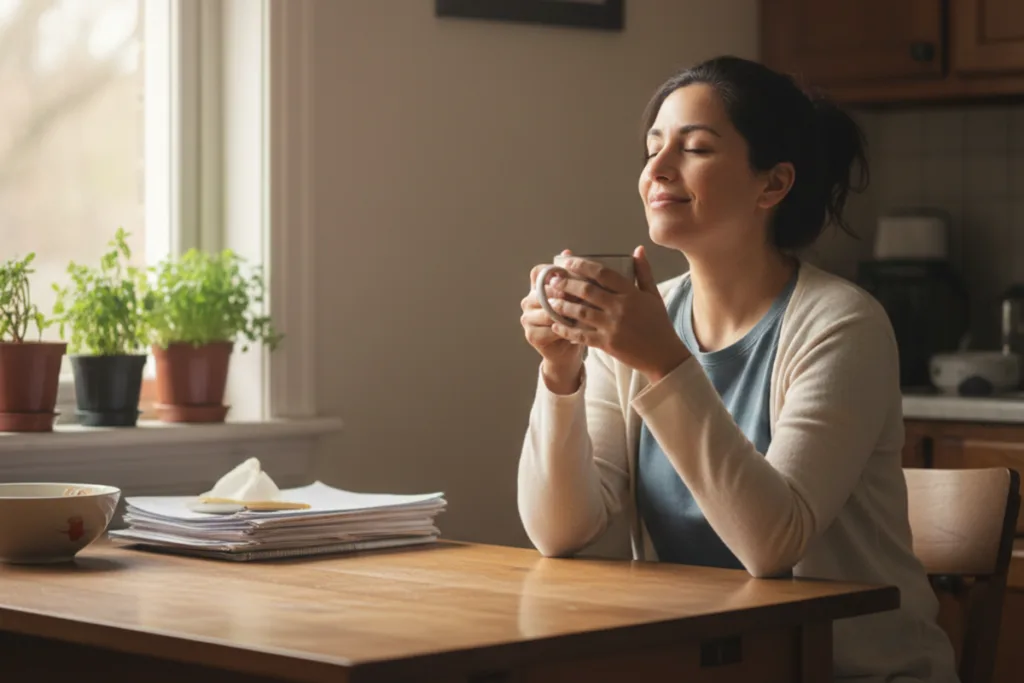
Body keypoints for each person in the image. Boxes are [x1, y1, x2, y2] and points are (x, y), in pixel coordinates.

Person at [517, 55, 958, 682]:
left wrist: (662, 360)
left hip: (849, 672)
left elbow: (773, 543)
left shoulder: (842, 325)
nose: (657, 169)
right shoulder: (646, 318)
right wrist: (561, 373)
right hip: (702, 667)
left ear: (772, 185)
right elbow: (560, 533)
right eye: (652, 148)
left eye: (695, 148)